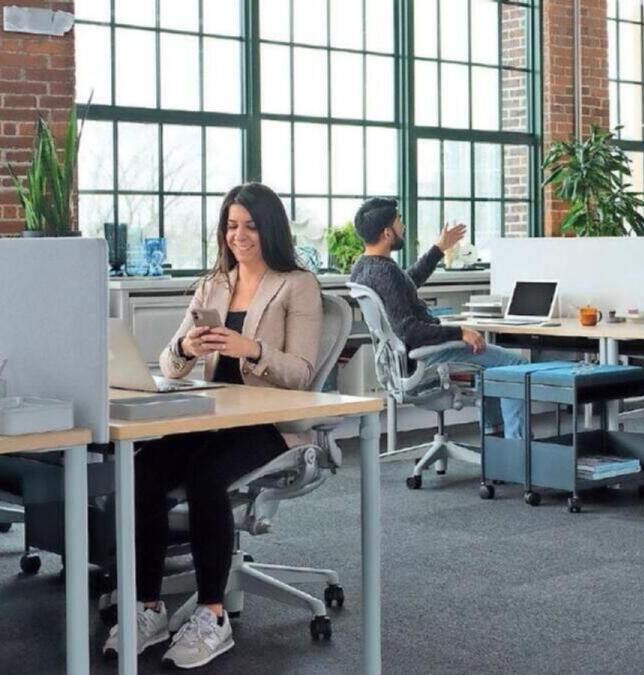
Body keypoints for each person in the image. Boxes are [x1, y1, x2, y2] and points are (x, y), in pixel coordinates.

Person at [103, 183, 323, 669]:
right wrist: (186, 349)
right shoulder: (214, 284)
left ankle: (212, 615)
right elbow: (168, 362)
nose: (238, 236)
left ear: (270, 229)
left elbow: (302, 373)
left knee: (206, 477)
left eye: (250, 226)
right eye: (231, 225)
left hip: (267, 423)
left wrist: (251, 349)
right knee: (141, 470)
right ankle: (148, 608)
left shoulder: (297, 285)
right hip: (211, 416)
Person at [349, 197, 528, 439]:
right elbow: (409, 330)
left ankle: (494, 438)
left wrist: (439, 248)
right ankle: (516, 447)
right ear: (387, 233)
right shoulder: (386, 271)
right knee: (515, 364)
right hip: (426, 354)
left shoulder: (363, 267)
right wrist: (460, 333)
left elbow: (406, 283)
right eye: (399, 221)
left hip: (407, 357)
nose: (403, 225)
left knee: (490, 362)